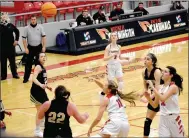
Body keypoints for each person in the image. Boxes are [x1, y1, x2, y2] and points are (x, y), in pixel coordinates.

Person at [144, 66, 185, 137]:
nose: (162, 73)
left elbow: (163, 98)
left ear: (171, 75)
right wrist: (148, 97)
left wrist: (153, 88)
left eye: (165, 71)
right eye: (162, 71)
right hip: (163, 119)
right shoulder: (160, 87)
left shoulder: (173, 87)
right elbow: (154, 105)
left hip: (174, 119)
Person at [138, 53, 162, 138]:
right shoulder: (143, 72)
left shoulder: (157, 71)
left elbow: (158, 89)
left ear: (153, 61)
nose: (145, 60)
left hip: (163, 96)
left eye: (148, 59)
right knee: (147, 121)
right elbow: (145, 88)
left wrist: (148, 99)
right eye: (145, 59)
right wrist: (139, 95)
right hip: (154, 96)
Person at [30, 52, 50, 137]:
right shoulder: (38, 66)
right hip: (36, 91)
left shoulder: (42, 67)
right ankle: (37, 131)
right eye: (41, 56)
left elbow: (42, 80)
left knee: (46, 108)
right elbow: (33, 78)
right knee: (40, 111)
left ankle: (43, 127)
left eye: (44, 56)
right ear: (38, 58)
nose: (43, 58)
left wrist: (47, 86)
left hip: (41, 91)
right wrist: (41, 85)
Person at [22, 15, 46, 83]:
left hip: (38, 47)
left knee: (39, 64)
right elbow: (24, 39)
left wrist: (44, 47)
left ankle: (39, 78)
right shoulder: (26, 28)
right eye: (32, 19)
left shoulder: (40, 27)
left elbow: (44, 37)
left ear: (36, 20)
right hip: (30, 48)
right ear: (30, 20)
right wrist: (25, 48)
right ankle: (26, 78)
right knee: (28, 63)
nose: (33, 20)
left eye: (34, 19)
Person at [0, 12, 20, 80]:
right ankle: (3, 76)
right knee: (3, 63)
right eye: (2, 16)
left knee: (12, 62)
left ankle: (15, 74)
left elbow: (17, 31)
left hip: (11, 47)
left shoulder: (11, 25)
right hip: (2, 48)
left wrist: (16, 40)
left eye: (5, 15)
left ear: (7, 16)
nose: (4, 17)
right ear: (1, 17)